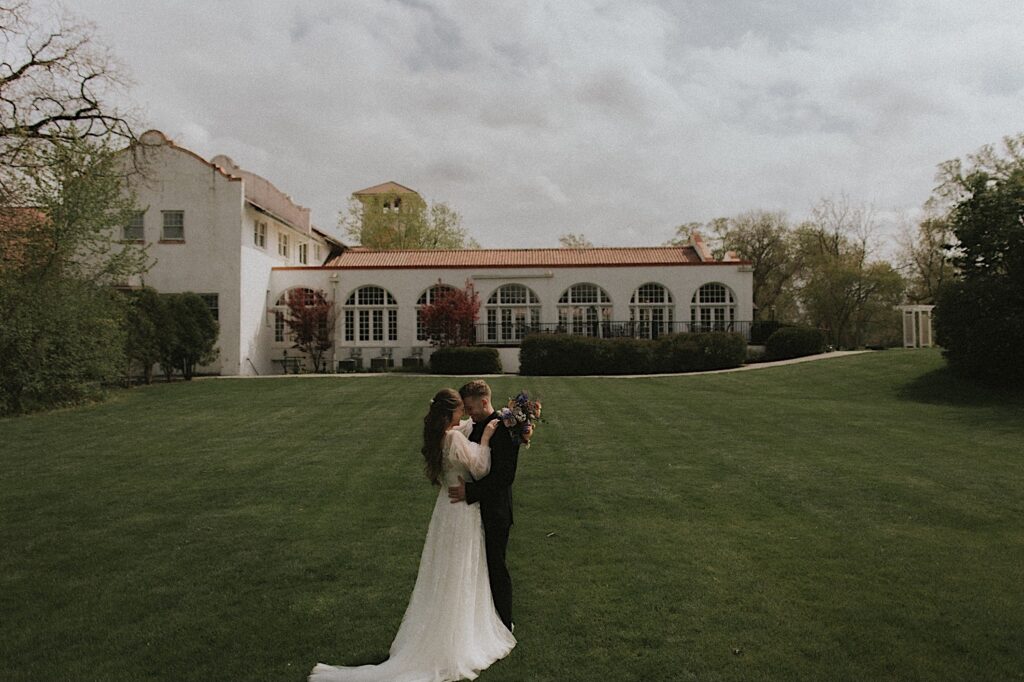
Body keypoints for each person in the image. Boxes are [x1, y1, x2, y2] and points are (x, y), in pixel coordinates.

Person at [309, 388, 516, 682]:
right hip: (462, 512)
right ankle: (459, 637)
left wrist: (508, 423)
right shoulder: (456, 438)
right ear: (452, 414)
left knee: (445, 572)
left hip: (445, 510)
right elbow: (481, 467)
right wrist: (484, 439)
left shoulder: (440, 436)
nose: (466, 416)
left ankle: (451, 629)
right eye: (461, 410)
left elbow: (466, 427)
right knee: (461, 570)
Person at [447, 380, 521, 633]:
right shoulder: (471, 427)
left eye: (470, 407)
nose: (467, 413)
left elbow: (504, 476)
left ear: (484, 401)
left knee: (495, 565)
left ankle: (504, 621)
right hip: (472, 513)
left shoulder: (505, 428)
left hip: (495, 510)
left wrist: (471, 492)